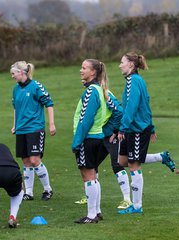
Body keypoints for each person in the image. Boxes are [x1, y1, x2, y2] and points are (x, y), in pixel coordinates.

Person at [75, 91, 176, 209]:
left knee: (118, 163)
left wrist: (116, 130)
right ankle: (90, 196)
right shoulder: (91, 92)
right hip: (99, 134)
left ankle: (127, 199)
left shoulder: (104, 92)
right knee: (93, 164)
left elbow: (119, 111)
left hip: (112, 134)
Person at [10, 61, 56, 201]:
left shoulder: (36, 86)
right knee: (26, 161)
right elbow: (16, 108)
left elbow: (49, 103)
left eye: (13, 73)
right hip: (21, 129)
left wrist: (51, 124)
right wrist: (14, 125)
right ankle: (28, 192)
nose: (12, 76)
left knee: (35, 160)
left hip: (35, 129)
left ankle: (47, 189)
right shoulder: (16, 89)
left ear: (22, 72)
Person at [116, 52, 155, 214]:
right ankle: (161, 157)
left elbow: (133, 107)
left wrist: (123, 128)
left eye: (122, 62)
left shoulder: (133, 81)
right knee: (122, 161)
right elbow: (145, 103)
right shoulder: (135, 80)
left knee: (134, 165)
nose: (120, 65)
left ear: (131, 65)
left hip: (136, 129)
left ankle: (137, 206)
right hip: (134, 128)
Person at [72, 59, 108, 224]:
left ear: (93, 72)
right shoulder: (98, 89)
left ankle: (91, 214)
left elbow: (85, 119)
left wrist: (77, 141)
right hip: (95, 138)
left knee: (88, 176)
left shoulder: (91, 92)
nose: (81, 70)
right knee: (92, 175)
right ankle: (97, 211)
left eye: (84, 68)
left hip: (88, 139)